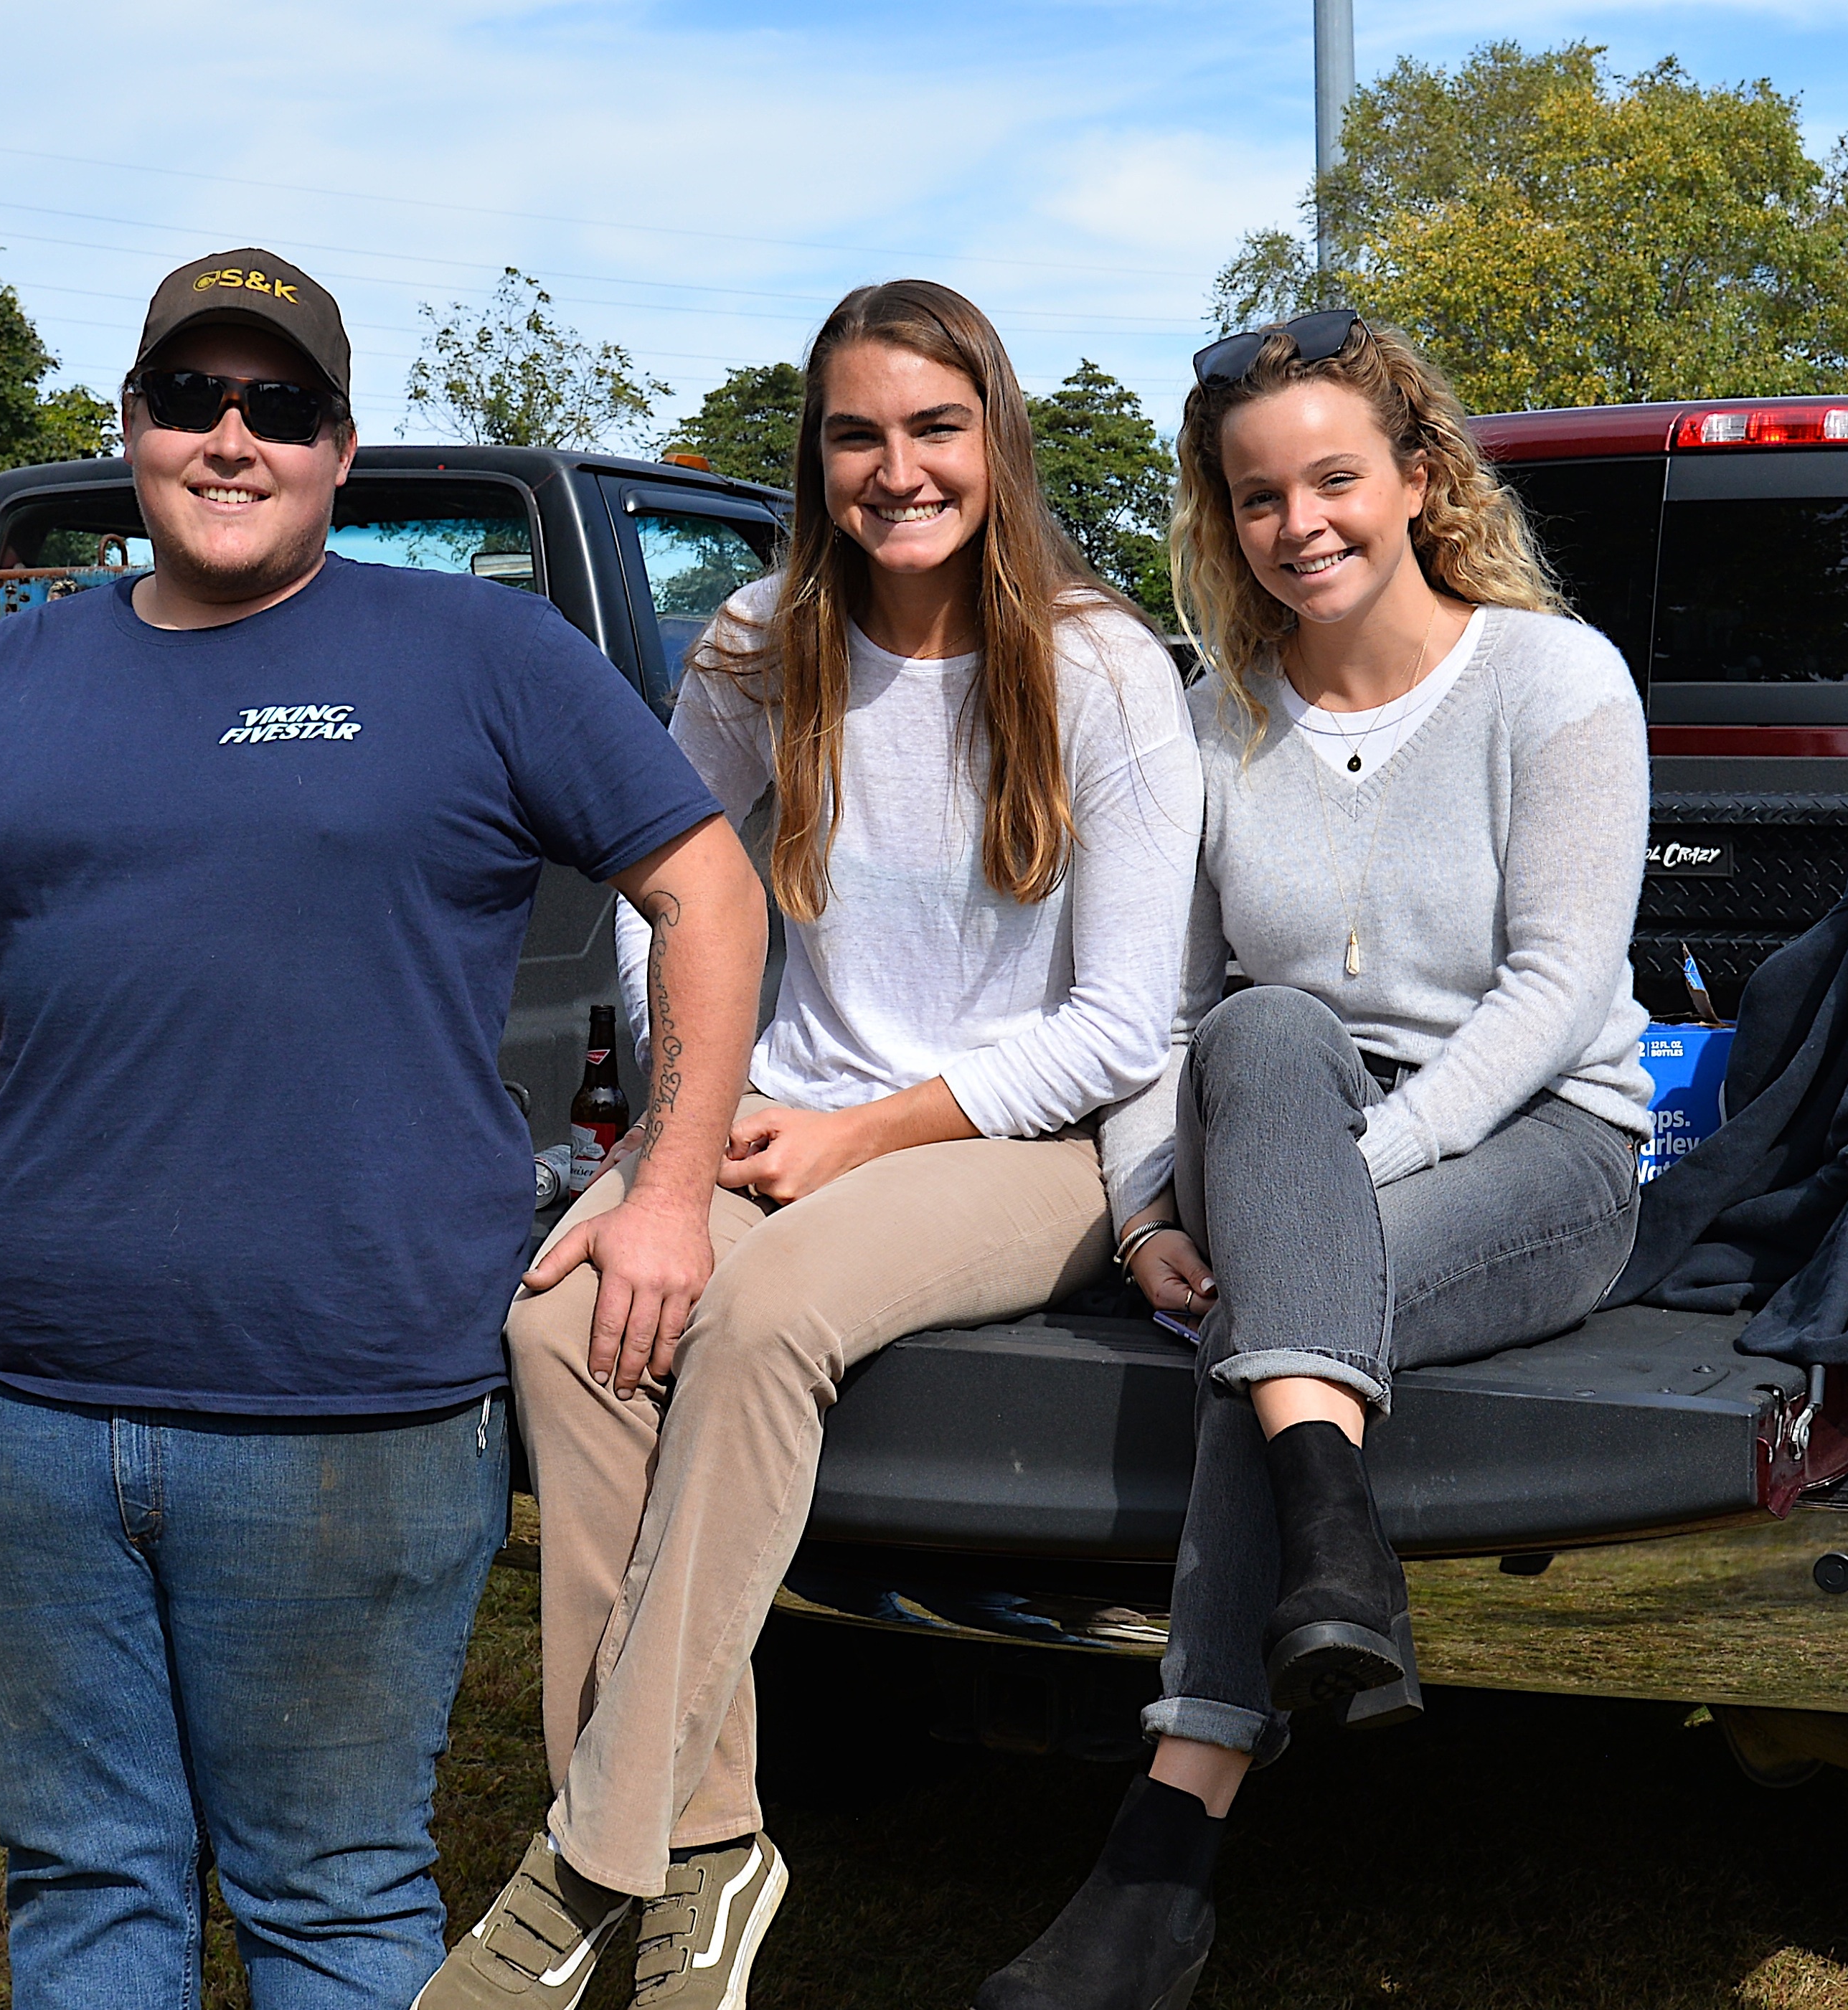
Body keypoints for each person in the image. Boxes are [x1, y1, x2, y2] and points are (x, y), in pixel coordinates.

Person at [0, 247, 768, 2009]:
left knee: (328, 1897)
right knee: (82, 1884)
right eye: (193, 397)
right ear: (131, 424)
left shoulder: (480, 652)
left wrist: (668, 1184)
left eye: (280, 406)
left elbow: (705, 888)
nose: (232, 437)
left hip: (351, 1425)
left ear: (340, 445)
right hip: (25, 1413)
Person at [425, 280, 1202, 2010]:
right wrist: (678, 1135)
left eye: (935, 428)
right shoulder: (754, 641)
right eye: (857, 434)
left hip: (1029, 1141)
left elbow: (1121, 1027)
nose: (896, 469)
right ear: (815, 457)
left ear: (996, 439)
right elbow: (665, 903)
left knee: (762, 1323)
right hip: (787, 1118)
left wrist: (860, 1136)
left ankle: (590, 1856)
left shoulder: (1103, 665)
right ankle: (708, 1850)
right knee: (567, 1324)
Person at [977, 309, 1653, 2010]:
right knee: (1264, 1028)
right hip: (1278, 1128)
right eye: (1258, 495)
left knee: (1272, 1322)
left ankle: (1161, 1858)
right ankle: (1333, 1544)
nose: (1300, 523)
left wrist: (1361, 1173)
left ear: (1419, 479)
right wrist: (1144, 1206)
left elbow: (1555, 990)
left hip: (1537, 1145)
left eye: (1334, 479)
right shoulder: (1209, 722)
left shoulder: (1554, 682)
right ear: (1225, 515)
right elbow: (1159, 1009)